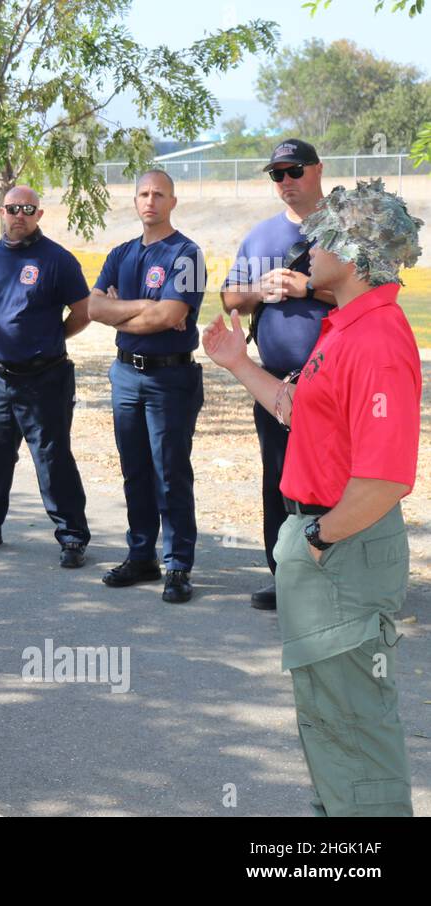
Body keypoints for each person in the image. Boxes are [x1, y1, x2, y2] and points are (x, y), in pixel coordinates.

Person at [203, 179, 421, 817]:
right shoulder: (346, 326)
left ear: (352, 256)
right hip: (322, 540)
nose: (308, 253)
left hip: (342, 544)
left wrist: (321, 538)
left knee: (352, 722)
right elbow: (301, 411)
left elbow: (384, 479)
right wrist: (237, 363)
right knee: (328, 717)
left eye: (324, 241)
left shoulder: (376, 339)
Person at [0, 185, 92, 567]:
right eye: (13, 208)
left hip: (45, 378)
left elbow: (83, 311)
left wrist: (48, 338)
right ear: (2, 211)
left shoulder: (58, 260)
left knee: (51, 457)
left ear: (39, 215)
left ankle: (72, 536)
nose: (19, 215)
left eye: (28, 209)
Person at [221, 139, 335, 611]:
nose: (286, 181)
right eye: (277, 174)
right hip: (273, 384)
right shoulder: (261, 236)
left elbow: (379, 290)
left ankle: (334, 579)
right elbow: (228, 298)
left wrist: (309, 288)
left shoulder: (347, 228)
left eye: (295, 171)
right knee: (280, 481)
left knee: (332, 483)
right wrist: (258, 290)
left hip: (334, 383)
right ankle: (284, 575)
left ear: (318, 169)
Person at [88, 169, 206, 603]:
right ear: (134, 201)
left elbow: (170, 315)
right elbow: (94, 307)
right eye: (143, 193)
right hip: (126, 375)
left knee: (170, 472)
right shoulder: (121, 253)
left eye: (159, 194)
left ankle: (178, 565)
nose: (150, 201)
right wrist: (139, 307)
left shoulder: (187, 254)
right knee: (134, 469)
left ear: (173, 201)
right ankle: (142, 556)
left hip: (168, 377)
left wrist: (122, 309)